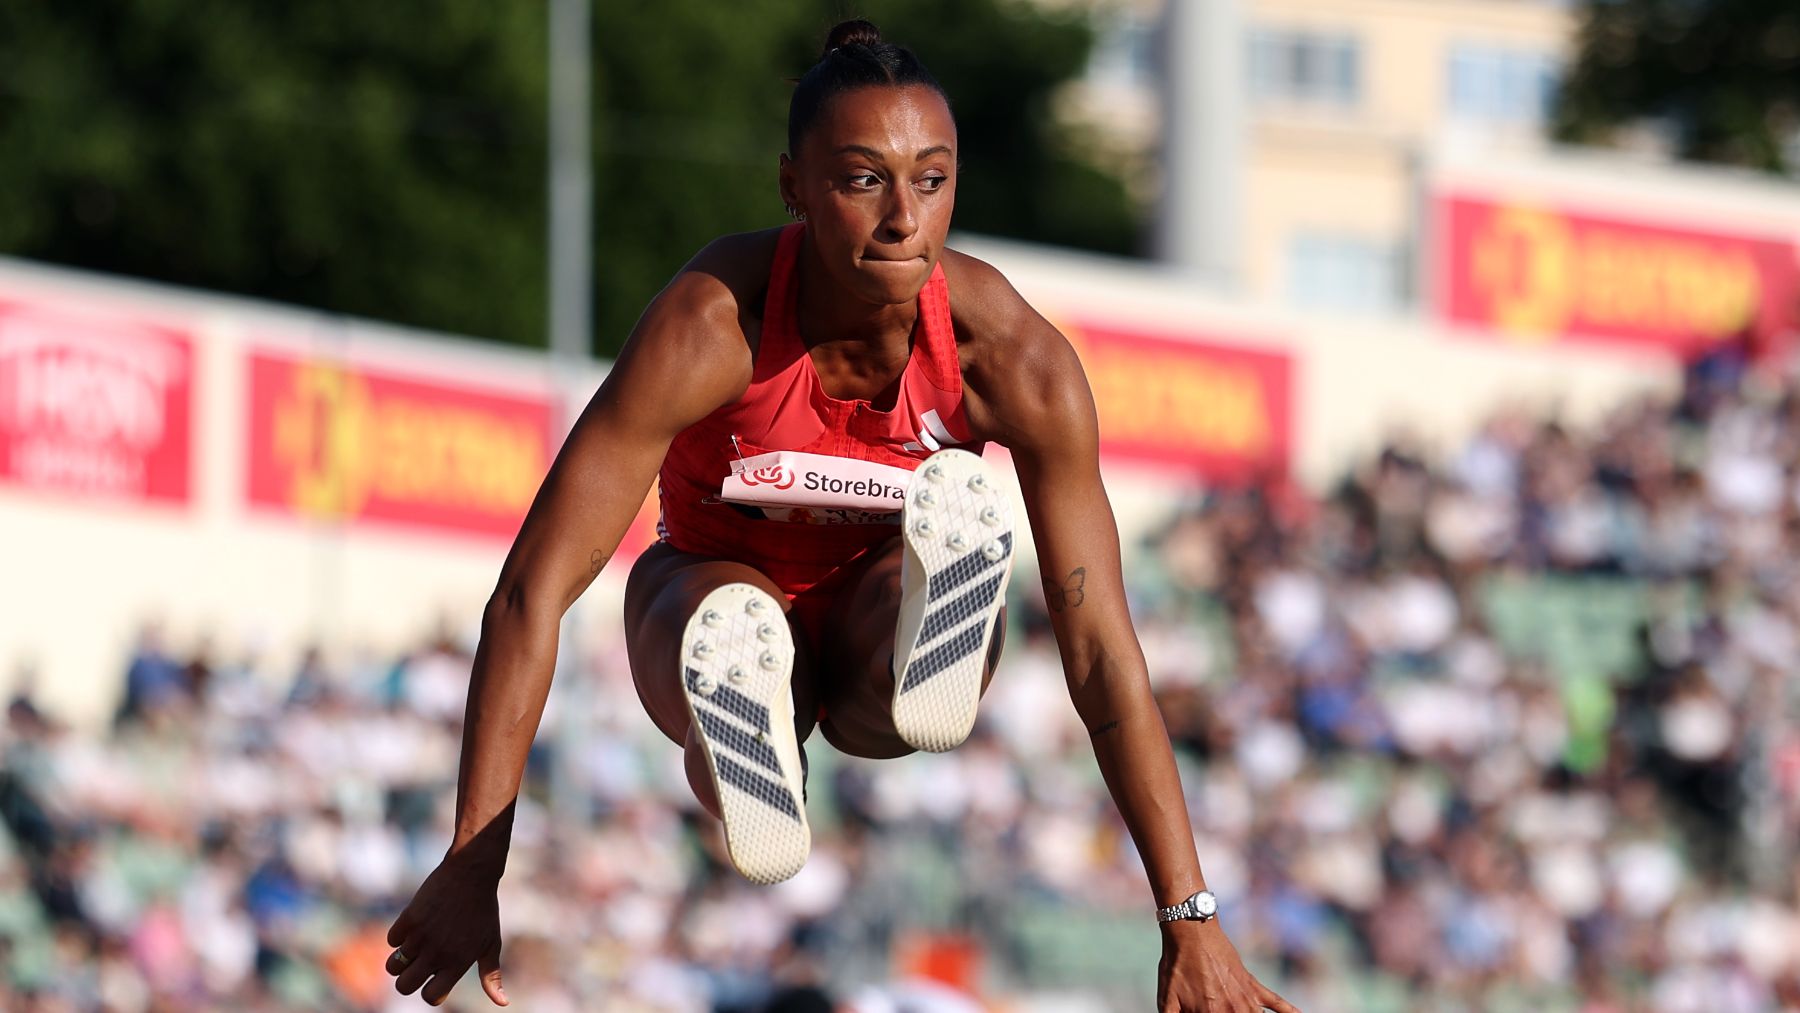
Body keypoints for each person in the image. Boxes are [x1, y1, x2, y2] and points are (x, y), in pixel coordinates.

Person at [384, 20, 1299, 1013]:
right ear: (794, 186)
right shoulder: (713, 324)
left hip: (876, 610)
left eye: (932, 179)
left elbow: (1101, 648)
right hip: (715, 582)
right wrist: (474, 858)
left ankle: (926, 629)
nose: (904, 217)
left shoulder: (1014, 360)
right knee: (718, 625)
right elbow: (532, 590)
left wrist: (1190, 912)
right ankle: (755, 729)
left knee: (893, 648)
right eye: (865, 180)